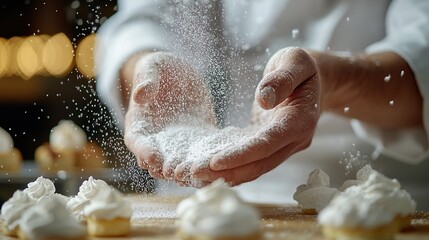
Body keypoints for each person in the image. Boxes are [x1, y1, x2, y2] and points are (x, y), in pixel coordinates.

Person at [96, 0, 429, 209]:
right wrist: (146, 64)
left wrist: (334, 79)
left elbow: (422, 42)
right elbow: (149, 16)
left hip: (383, 196)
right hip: (227, 195)